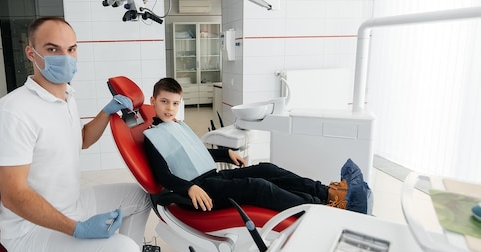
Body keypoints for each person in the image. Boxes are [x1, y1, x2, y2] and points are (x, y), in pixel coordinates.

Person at [0, 16, 162, 252]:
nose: (65, 58)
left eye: (71, 49)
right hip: (31, 231)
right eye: (53, 49)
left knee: (139, 196)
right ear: (32, 53)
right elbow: (14, 195)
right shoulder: (13, 111)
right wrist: (76, 229)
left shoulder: (66, 95)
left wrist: (106, 113)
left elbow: (80, 140)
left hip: (71, 202)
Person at [143, 77, 371, 214]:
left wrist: (226, 153)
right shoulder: (153, 137)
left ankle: (328, 192)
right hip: (201, 190)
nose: (169, 108)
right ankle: (319, 208)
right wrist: (189, 188)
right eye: (164, 102)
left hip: (213, 178)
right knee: (259, 186)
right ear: (153, 101)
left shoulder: (177, 125)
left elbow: (197, 152)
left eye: (174, 103)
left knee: (267, 169)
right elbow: (164, 176)